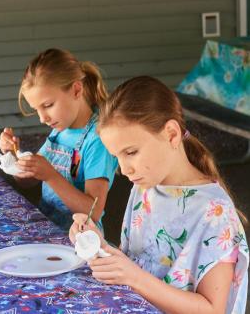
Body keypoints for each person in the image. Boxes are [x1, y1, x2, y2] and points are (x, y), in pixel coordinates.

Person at [69, 76, 248, 313]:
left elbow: (211, 309)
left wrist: (133, 277)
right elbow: (138, 262)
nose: (124, 169)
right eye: (117, 157)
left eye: (131, 152)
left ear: (171, 134)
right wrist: (97, 244)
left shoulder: (214, 212)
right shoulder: (144, 187)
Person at [0, 48, 118, 230]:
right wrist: (13, 158)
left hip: (79, 240)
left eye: (48, 105)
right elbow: (29, 180)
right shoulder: (61, 130)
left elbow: (93, 212)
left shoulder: (97, 139)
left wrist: (51, 176)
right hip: (48, 228)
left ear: (76, 90)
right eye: (36, 109)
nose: (42, 118)